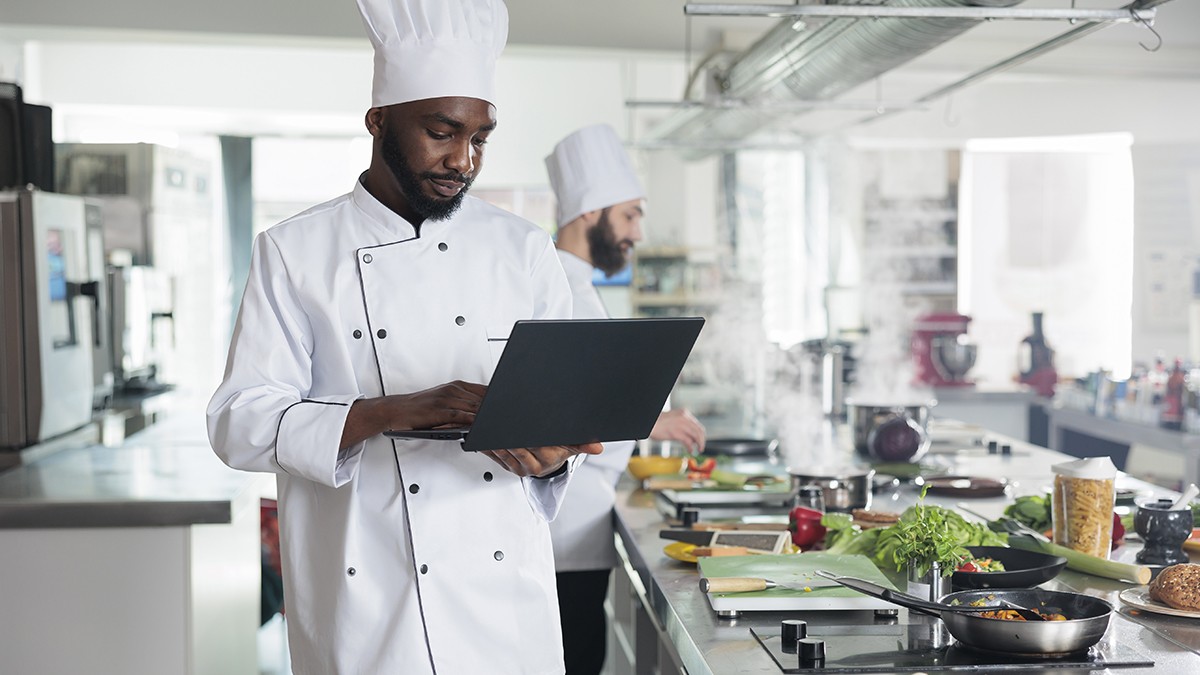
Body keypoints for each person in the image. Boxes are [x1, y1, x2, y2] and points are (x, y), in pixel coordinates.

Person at [206, 1, 601, 672]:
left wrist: (555, 455)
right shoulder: (296, 251)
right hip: (369, 608)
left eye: (480, 137)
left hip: (502, 608)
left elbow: (566, 413)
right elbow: (238, 423)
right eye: (442, 131)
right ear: (378, 120)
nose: (464, 158)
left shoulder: (524, 251)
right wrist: (390, 411)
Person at [544, 124, 706, 675]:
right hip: (557, 536)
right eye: (630, 214)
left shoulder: (579, 286)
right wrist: (651, 420)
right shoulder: (554, 288)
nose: (638, 230)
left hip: (577, 528)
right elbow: (554, 403)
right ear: (591, 212)